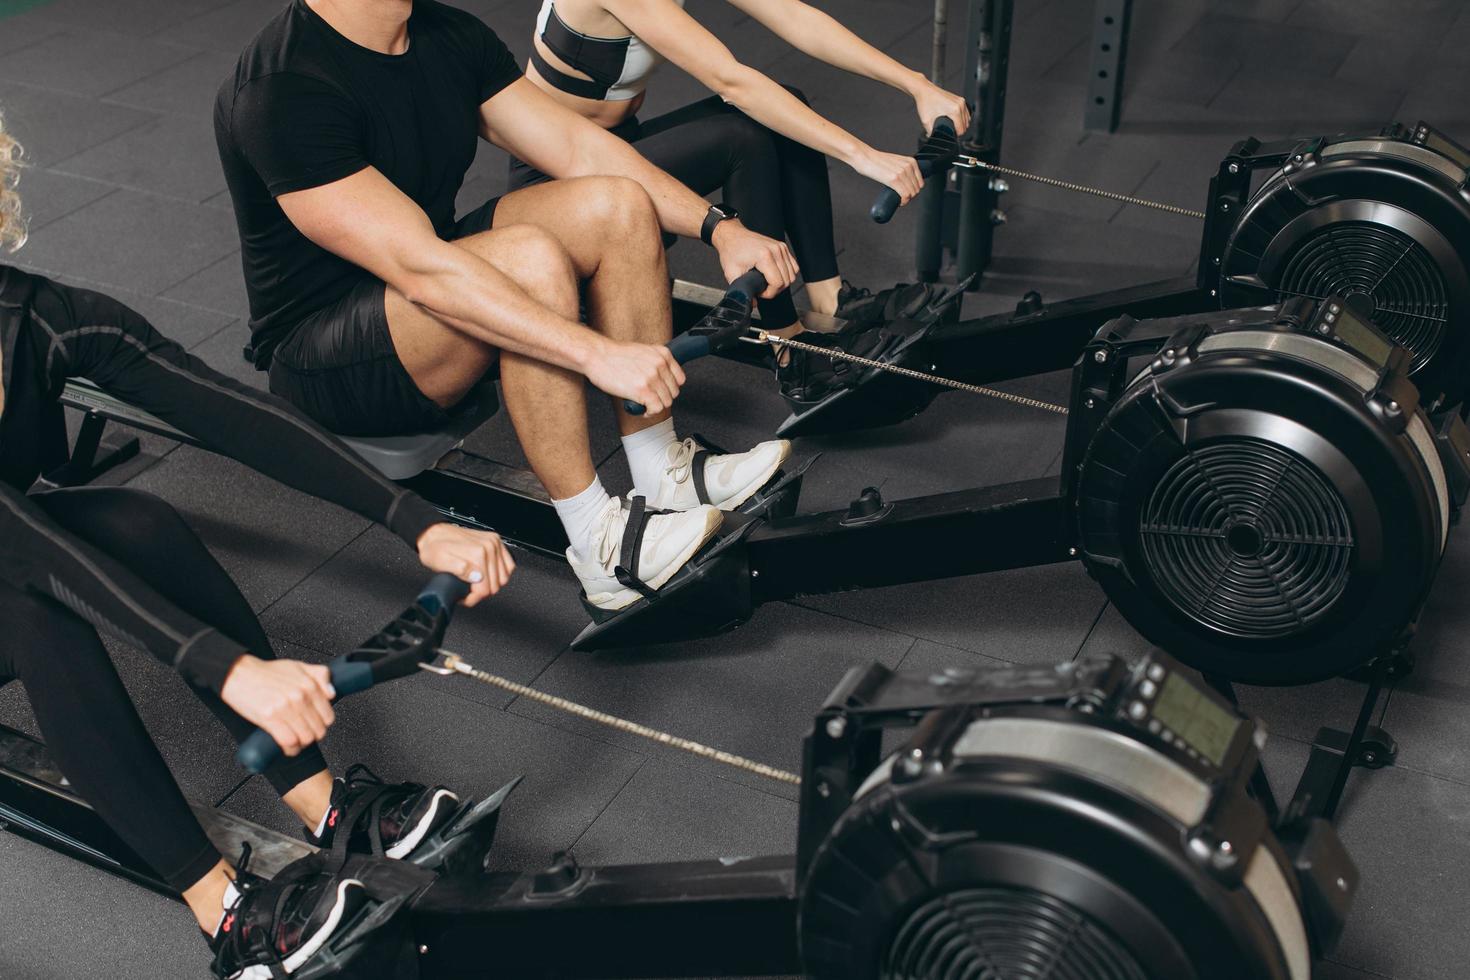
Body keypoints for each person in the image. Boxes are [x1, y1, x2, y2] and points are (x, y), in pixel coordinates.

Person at [0, 112, 514, 979]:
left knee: (140, 523)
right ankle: (223, 913)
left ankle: (327, 807)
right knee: (32, 605)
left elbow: (224, 410)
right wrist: (230, 667)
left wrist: (415, 521)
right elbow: (21, 543)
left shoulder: (35, 318)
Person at [215, 0, 800, 613]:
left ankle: (661, 470)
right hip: (326, 356)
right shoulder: (281, 88)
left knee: (618, 205)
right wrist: (596, 353)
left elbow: (581, 150)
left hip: (425, 278)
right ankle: (598, 542)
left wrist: (718, 227)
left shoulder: (446, 34)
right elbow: (419, 268)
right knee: (527, 259)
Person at [512, 0, 974, 394]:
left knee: (785, 101)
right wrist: (863, 155)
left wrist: (917, 85)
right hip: (558, 186)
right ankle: (789, 348)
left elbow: (794, 16)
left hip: (614, 152)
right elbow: (732, 82)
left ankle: (830, 300)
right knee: (743, 134)